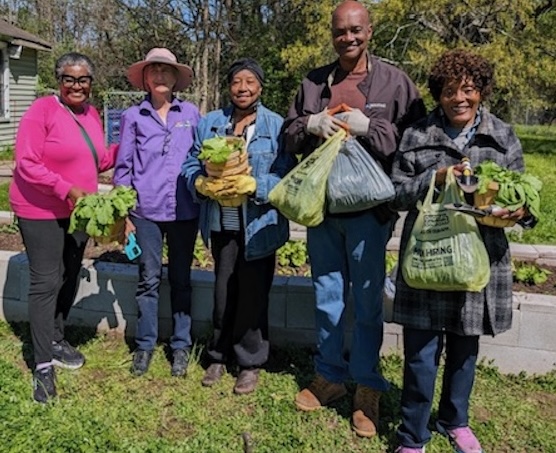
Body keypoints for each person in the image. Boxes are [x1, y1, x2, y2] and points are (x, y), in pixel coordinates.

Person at [283, 0, 425, 438]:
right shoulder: (313, 83)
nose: (348, 37)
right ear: (332, 33)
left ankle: (366, 385)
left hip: (368, 213)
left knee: (366, 302)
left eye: (355, 30)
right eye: (340, 31)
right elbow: (287, 135)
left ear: (370, 31)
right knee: (327, 296)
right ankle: (330, 376)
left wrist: (371, 129)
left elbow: (415, 141)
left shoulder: (395, 83)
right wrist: (310, 124)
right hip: (323, 211)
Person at [390, 49, 530, 453]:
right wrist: (434, 178)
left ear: (482, 91)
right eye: (450, 91)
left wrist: (518, 210)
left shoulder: (502, 135)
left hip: (479, 260)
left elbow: (523, 196)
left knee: (465, 349)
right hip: (430, 258)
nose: (459, 99)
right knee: (420, 354)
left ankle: (455, 420)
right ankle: (412, 435)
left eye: (468, 90)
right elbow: (396, 194)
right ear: (438, 94)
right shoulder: (417, 135)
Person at [9, 52, 118, 403]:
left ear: (91, 83)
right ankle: (42, 366)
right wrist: (65, 189)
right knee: (46, 280)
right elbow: (26, 163)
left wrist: (128, 146)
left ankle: (55, 338)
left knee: (70, 273)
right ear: (58, 80)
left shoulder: (91, 114)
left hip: (78, 212)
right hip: (39, 207)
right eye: (69, 78)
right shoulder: (41, 110)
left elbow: (97, 158)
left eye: (83, 79)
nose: (77, 85)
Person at [182, 58, 295, 395]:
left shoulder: (276, 126)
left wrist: (256, 186)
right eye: (236, 82)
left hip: (259, 225)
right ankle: (218, 355)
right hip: (221, 225)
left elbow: (287, 175)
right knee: (223, 292)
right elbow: (191, 161)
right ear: (228, 86)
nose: (243, 88)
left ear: (260, 86)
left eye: (250, 81)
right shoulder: (211, 123)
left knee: (253, 295)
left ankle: (249, 362)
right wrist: (198, 182)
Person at [113, 48, 200, 378]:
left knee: (181, 278)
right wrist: (126, 214)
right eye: (154, 71)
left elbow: (200, 157)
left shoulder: (191, 114)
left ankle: (181, 345)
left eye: (166, 70)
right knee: (148, 279)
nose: (160, 76)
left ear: (176, 78)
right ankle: (145, 345)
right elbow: (124, 168)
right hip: (146, 212)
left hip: (184, 211)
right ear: (145, 79)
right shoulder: (133, 118)